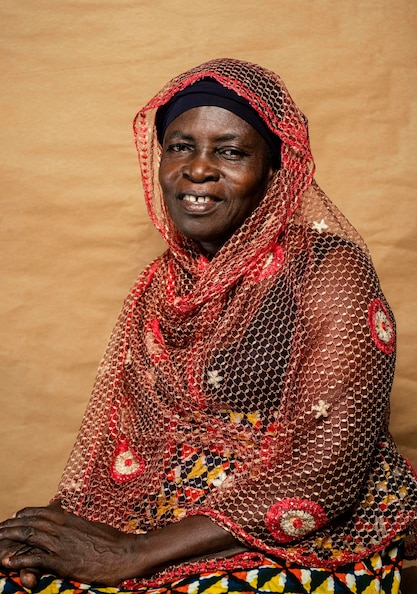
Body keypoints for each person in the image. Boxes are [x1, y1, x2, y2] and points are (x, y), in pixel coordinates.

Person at [0, 58, 416, 594]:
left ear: (275, 170)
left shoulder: (329, 271)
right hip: (175, 512)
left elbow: (326, 472)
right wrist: (49, 535)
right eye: (179, 146)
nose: (198, 169)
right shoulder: (164, 284)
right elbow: (119, 445)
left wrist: (133, 552)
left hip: (307, 530)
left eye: (231, 151)